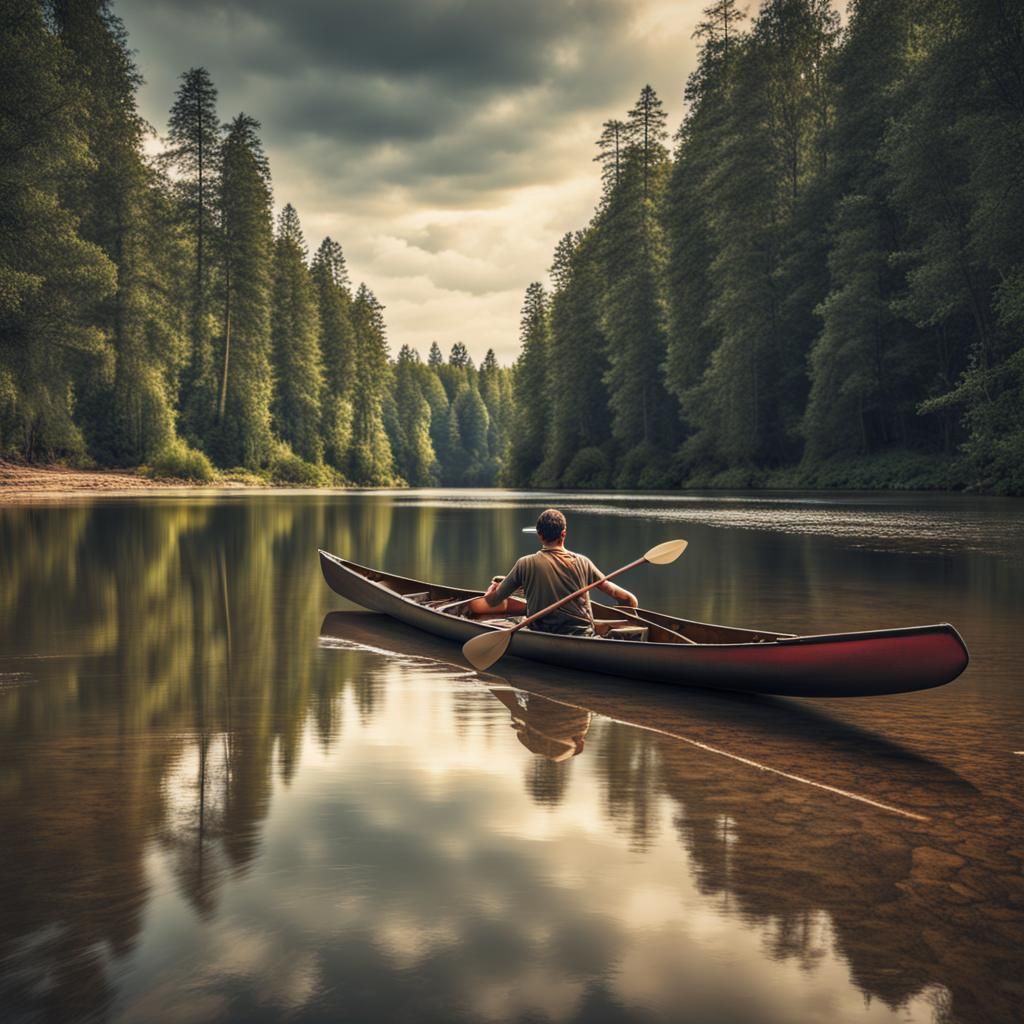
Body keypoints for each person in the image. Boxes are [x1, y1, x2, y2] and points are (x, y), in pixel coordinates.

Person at [466, 508, 637, 637]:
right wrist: (630, 604)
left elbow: (492, 602)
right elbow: (620, 595)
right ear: (564, 534)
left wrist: (493, 589)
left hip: (542, 634)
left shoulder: (525, 563)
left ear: (539, 535)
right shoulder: (584, 562)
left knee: (511, 620)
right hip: (584, 635)